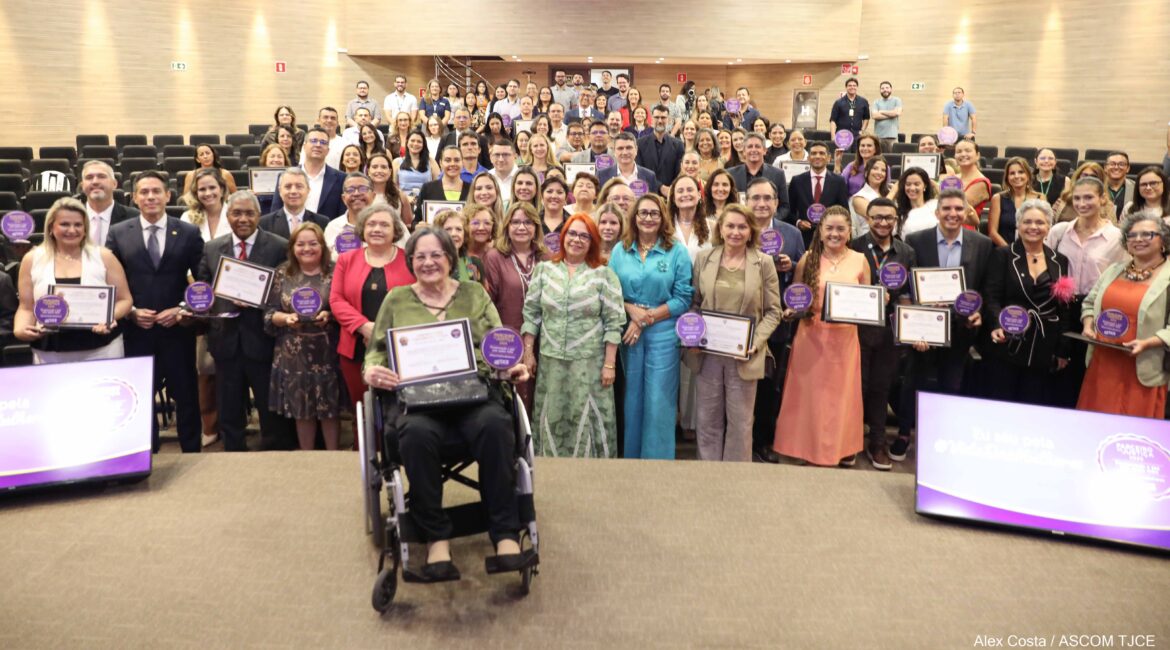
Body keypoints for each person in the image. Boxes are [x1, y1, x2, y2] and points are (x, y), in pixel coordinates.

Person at [362, 227, 531, 581]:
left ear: (450, 259)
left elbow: (495, 343)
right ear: (410, 262)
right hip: (419, 400)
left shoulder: (473, 294)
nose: (428, 263)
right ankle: (437, 539)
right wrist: (372, 371)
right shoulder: (396, 299)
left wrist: (508, 366)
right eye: (419, 257)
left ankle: (504, 535)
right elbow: (377, 349)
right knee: (415, 436)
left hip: (472, 395)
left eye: (436, 255)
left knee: (496, 426)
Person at [895, 190, 995, 461]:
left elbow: (986, 287)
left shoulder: (983, 244)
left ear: (966, 213)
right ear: (937, 212)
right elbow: (907, 286)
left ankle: (941, 436)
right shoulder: (916, 240)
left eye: (958, 209)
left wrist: (980, 313)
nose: (953, 214)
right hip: (925, 326)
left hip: (961, 328)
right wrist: (914, 323)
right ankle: (904, 434)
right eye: (947, 208)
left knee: (951, 383)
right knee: (913, 380)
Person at [108, 171, 204, 451]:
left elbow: (203, 281)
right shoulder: (118, 233)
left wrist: (183, 309)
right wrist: (131, 311)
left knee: (186, 394)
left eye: (156, 191)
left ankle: (192, 452)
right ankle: (145, 451)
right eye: (144, 192)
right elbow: (110, 282)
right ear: (135, 198)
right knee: (140, 393)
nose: (150, 197)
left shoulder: (187, 232)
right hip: (137, 329)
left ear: (168, 196)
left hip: (176, 330)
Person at [194, 190, 292, 451]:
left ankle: (274, 454)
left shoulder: (278, 246)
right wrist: (201, 300)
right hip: (225, 339)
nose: (243, 218)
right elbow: (203, 285)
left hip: (263, 337)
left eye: (249, 213)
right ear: (228, 216)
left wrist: (257, 299)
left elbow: (285, 290)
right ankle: (234, 454)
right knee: (229, 405)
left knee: (268, 405)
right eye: (237, 213)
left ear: (259, 216)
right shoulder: (212, 248)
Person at [521, 213, 624, 457]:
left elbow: (613, 322)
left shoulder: (603, 274)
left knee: (585, 418)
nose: (577, 240)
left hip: (589, 364)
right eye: (572, 233)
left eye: (584, 236)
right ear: (563, 236)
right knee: (552, 416)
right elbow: (532, 314)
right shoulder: (545, 270)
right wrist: (528, 352)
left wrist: (610, 364)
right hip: (551, 362)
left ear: (592, 241)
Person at [686, 204, 781, 461]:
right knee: (707, 421)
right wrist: (693, 336)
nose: (736, 232)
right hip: (708, 354)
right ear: (720, 229)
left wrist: (756, 343)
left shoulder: (764, 263)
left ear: (751, 231)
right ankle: (709, 475)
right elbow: (694, 304)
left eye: (742, 227)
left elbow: (774, 312)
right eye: (730, 226)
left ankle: (736, 480)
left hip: (745, 354)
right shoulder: (705, 259)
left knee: (740, 423)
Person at [774, 205, 868, 466]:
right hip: (811, 337)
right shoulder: (808, 258)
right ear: (820, 230)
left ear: (849, 231)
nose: (835, 234)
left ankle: (837, 449)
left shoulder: (860, 260)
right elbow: (796, 295)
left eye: (840, 229)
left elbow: (869, 298)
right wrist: (792, 310)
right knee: (808, 397)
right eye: (829, 228)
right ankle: (803, 447)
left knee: (839, 398)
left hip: (845, 341)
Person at [608, 193, 694, 459]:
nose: (648, 218)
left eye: (654, 213)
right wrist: (631, 311)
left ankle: (657, 462)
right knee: (632, 397)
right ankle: (632, 459)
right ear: (634, 217)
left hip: (663, 332)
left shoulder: (676, 250)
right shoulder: (620, 249)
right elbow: (610, 290)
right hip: (629, 333)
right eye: (643, 213)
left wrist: (645, 319)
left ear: (662, 217)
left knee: (659, 400)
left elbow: (683, 297)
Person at [14, 197, 132, 363]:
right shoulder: (32, 259)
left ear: (85, 229)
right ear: (51, 227)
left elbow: (125, 300)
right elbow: (26, 307)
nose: (72, 230)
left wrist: (108, 316)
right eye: (64, 224)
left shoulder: (104, 256)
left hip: (102, 350)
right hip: (50, 353)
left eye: (78, 225)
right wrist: (20, 330)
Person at [1077, 210, 1170, 418]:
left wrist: (1147, 343)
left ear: (1163, 240)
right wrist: (1088, 325)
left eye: (1147, 235)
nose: (1138, 240)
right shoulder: (1114, 270)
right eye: (1132, 235)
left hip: (1143, 368)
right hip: (1102, 365)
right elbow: (1090, 303)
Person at [1045, 177, 1127, 407]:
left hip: (1097, 310)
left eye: (1089, 197)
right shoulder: (1060, 231)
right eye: (1078, 198)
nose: (1082, 203)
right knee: (1058, 374)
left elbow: (1123, 276)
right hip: (1062, 309)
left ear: (1102, 199)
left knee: (1088, 373)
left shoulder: (1118, 238)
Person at [330, 203, 413, 431]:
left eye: (384, 224)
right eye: (371, 224)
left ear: (395, 230)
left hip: (397, 348)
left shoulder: (409, 260)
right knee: (363, 411)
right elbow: (336, 300)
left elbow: (415, 302)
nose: (377, 229)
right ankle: (363, 459)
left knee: (395, 409)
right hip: (355, 346)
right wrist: (364, 326)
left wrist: (383, 333)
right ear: (362, 228)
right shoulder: (347, 260)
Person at [983, 200, 1072, 406]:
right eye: (1027, 222)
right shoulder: (1002, 255)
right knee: (1002, 400)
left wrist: (1062, 349)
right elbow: (991, 296)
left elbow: (1064, 307)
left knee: (1033, 401)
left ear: (1048, 227)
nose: (1033, 227)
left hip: (1043, 344)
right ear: (1018, 225)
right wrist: (996, 324)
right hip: (1008, 340)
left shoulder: (1060, 260)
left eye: (1040, 222)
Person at [850, 198, 915, 470]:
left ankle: (877, 443)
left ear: (896, 219)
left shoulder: (906, 252)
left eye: (888, 217)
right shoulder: (854, 247)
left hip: (889, 331)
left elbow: (912, 292)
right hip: (857, 328)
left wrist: (901, 302)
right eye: (877, 217)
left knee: (880, 387)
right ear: (868, 218)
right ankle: (851, 441)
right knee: (855, 386)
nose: (883, 222)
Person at [264, 223, 342, 450]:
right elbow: (268, 313)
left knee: (331, 407)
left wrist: (330, 314)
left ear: (323, 246)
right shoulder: (281, 273)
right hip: (293, 354)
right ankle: (306, 457)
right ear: (292, 247)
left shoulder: (336, 271)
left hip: (328, 351)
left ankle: (334, 456)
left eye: (313, 243)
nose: (307, 248)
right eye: (301, 244)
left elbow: (346, 306)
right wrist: (284, 318)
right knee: (301, 408)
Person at [483, 202, 548, 411]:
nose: (522, 227)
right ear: (507, 226)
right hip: (507, 339)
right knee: (514, 399)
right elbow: (487, 303)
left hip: (545, 340)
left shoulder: (546, 258)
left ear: (536, 228)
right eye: (516, 222)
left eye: (528, 222)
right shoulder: (494, 257)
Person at [272, 127, 346, 219]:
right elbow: (276, 214)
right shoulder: (285, 176)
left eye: (323, 142)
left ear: (328, 150)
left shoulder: (341, 179)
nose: (318, 145)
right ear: (304, 146)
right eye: (314, 141)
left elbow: (343, 217)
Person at [788, 142, 850, 243]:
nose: (817, 156)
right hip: (804, 238)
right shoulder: (797, 181)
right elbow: (789, 211)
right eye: (814, 153)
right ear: (808, 158)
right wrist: (798, 222)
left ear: (829, 158)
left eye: (821, 153)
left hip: (830, 238)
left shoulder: (839, 181)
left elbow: (845, 211)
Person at [258, 167, 331, 240]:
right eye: (288, 187)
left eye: (299, 186)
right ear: (280, 191)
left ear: (308, 190)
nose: (293, 191)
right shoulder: (264, 223)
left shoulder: (322, 223)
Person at [79, 161, 140, 247]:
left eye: (101, 176)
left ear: (114, 184)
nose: (95, 181)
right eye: (89, 177)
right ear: (82, 186)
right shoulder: (70, 217)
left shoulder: (135, 217)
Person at [987, 157, 1043, 247]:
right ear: (1007, 178)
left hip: (1031, 250)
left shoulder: (1040, 198)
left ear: (1028, 175)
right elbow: (993, 233)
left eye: (1021, 172)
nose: (1017, 176)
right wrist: (1011, 252)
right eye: (1012, 173)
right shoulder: (997, 198)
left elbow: (1043, 229)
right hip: (1004, 251)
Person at [635, 104, 686, 189]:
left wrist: (671, 190)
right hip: (648, 194)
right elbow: (640, 172)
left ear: (669, 120)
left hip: (671, 195)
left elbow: (679, 173)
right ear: (651, 120)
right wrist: (661, 187)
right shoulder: (640, 144)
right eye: (656, 117)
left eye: (663, 117)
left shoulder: (678, 145)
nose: (660, 121)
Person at [414, 147, 469, 224]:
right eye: (448, 160)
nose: (452, 164)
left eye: (456, 160)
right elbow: (416, 220)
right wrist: (418, 226)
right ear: (440, 163)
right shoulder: (428, 188)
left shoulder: (471, 189)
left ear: (462, 163)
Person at [323, 173, 375, 254]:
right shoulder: (332, 227)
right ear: (343, 198)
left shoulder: (386, 225)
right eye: (350, 190)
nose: (357, 193)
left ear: (373, 196)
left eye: (363, 189)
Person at [434, 208, 485, 283]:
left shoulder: (474, 264)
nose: (453, 234)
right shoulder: (431, 264)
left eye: (458, 229)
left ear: (465, 234)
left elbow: (479, 293)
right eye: (448, 229)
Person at [366, 152, 413, 233]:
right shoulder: (362, 195)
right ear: (368, 171)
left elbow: (408, 223)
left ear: (390, 171)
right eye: (374, 167)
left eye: (384, 167)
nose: (379, 170)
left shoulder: (400, 195)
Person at [848, 156, 890, 239]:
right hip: (868, 243)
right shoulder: (858, 197)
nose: (879, 172)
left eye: (883, 170)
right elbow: (879, 216)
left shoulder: (888, 192)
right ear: (866, 172)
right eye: (875, 168)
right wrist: (894, 192)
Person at [955, 140, 990, 228]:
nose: (963, 154)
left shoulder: (981, 182)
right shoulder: (953, 178)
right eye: (959, 151)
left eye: (968, 151)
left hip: (965, 231)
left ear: (977, 155)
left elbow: (957, 206)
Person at [894, 167, 940, 236]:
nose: (912, 188)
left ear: (925, 185)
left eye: (916, 184)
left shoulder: (935, 204)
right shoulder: (898, 211)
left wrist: (936, 186)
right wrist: (893, 191)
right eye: (908, 184)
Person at [829, 78, 869, 150]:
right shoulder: (838, 102)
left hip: (857, 136)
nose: (852, 87)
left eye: (854, 85)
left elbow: (866, 118)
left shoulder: (863, 101)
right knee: (844, 158)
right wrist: (833, 136)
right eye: (850, 85)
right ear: (846, 87)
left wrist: (862, 131)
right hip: (842, 136)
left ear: (857, 87)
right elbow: (833, 120)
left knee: (857, 158)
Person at [395, 130, 438, 197]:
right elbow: (393, 187)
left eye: (419, 141)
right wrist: (405, 199)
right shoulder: (397, 162)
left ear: (423, 145)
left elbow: (437, 185)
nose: (415, 144)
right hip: (404, 201)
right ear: (407, 142)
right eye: (412, 140)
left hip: (425, 200)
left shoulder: (431, 162)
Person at [1103, 152, 1135, 222]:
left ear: (1128, 168)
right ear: (1105, 167)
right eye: (1112, 164)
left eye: (1121, 164)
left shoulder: (1136, 188)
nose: (1116, 167)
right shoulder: (1097, 187)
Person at [871, 81, 902, 148]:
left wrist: (881, 111)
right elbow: (874, 116)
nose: (885, 90)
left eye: (887, 88)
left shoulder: (897, 100)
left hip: (892, 136)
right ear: (880, 90)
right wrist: (891, 114)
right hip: (878, 137)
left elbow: (897, 113)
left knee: (893, 157)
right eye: (882, 88)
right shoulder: (876, 102)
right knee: (878, 157)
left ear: (891, 89)